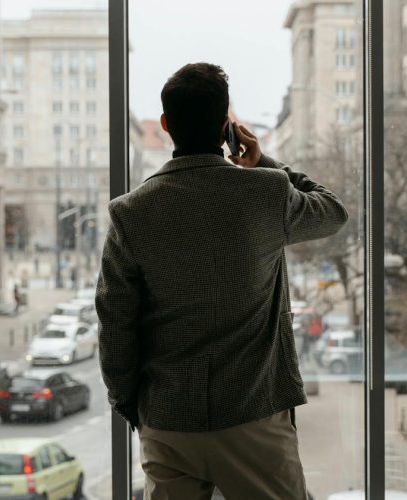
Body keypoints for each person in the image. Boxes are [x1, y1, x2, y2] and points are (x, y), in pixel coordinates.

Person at [96, 63, 348, 499]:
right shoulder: (266, 191)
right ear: (225, 127)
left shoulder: (130, 212)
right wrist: (264, 162)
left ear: (166, 124)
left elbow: (114, 321)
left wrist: (129, 403)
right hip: (254, 414)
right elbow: (333, 211)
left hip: (169, 419)